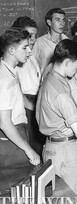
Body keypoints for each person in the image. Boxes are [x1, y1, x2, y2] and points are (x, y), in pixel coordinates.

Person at [36, 39, 77, 196]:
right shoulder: (61, 94)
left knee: (57, 202)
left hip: (52, 146)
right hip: (66, 152)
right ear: (67, 63)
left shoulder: (50, 78)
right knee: (74, 201)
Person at [0, 28, 40, 167]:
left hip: (18, 133)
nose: (29, 51)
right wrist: (28, 150)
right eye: (25, 47)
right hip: (10, 139)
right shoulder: (4, 79)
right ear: (11, 50)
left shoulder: (10, 70)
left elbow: (19, 99)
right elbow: (5, 123)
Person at [12, 16, 44, 156]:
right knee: (30, 148)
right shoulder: (14, 61)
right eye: (29, 35)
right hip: (25, 107)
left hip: (35, 103)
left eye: (35, 35)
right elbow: (18, 91)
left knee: (38, 146)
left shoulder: (32, 58)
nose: (33, 39)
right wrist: (33, 109)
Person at [32, 8, 68, 74]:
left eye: (63, 20)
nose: (62, 24)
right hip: (45, 82)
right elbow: (32, 66)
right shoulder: (39, 43)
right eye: (57, 20)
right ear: (49, 22)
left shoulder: (68, 42)